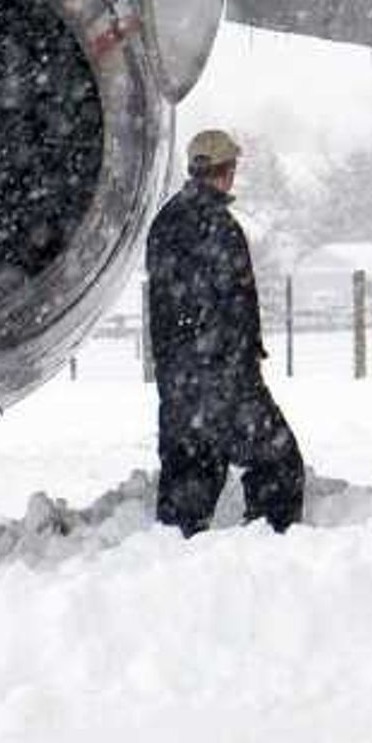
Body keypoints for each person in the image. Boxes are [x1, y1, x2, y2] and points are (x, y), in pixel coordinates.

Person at [144, 126, 306, 534]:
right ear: (224, 170)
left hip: (181, 382)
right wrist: (240, 372)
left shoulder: (166, 221)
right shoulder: (218, 227)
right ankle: (270, 543)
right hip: (223, 379)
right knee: (280, 464)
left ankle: (171, 564)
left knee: (190, 477)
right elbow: (230, 309)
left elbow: (172, 307)